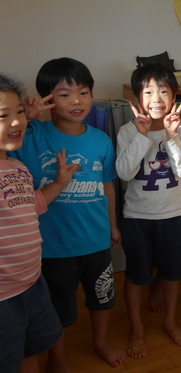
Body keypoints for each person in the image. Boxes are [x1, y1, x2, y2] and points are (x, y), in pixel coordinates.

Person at [10, 58, 126, 368]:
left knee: (102, 298)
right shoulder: (30, 135)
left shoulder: (101, 140)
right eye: (64, 94)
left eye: (83, 92)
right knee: (57, 307)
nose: (76, 101)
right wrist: (23, 113)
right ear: (47, 99)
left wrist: (113, 226)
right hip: (52, 246)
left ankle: (100, 342)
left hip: (96, 240)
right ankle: (57, 356)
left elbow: (108, 186)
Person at [116, 63, 181, 358]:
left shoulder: (177, 129)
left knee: (173, 274)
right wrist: (141, 136)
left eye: (164, 91)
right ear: (138, 99)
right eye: (148, 91)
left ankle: (170, 321)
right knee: (137, 276)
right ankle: (137, 328)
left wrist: (173, 136)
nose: (156, 98)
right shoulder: (128, 131)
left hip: (174, 214)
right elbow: (124, 173)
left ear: (174, 96)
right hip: (138, 218)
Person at [0, 74, 81, 373]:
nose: (16, 122)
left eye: (19, 111)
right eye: (3, 115)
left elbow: (32, 205)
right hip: (2, 296)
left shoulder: (18, 167)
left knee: (31, 348)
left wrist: (60, 182)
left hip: (32, 282)